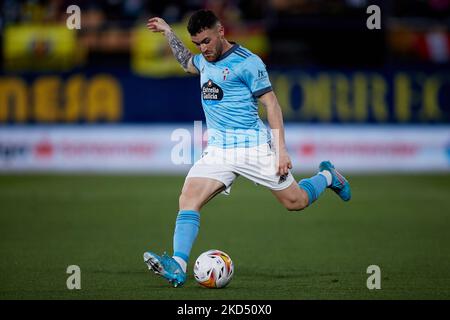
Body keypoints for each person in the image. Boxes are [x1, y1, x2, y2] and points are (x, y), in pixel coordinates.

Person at [143, 9, 351, 288]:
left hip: (253, 147)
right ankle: (178, 266)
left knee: (296, 202)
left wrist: (281, 151)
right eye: (197, 44)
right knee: (188, 199)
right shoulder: (204, 61)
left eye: (206, 41)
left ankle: (328, 177)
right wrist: (169, 32)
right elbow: (185, 63)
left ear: (221, 32)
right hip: (219, 149)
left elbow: (272, 104)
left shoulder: (248, 63)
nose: (202, 49)